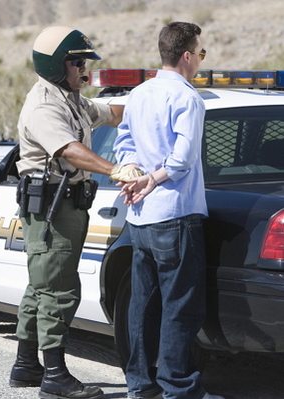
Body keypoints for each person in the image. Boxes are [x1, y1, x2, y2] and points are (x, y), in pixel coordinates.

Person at [10, 26, 137, 399]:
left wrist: (154, 104)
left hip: (63, 204)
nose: (85, 70)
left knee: (40, 286)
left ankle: (26, 365)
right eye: (78, 62)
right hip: (53, 207)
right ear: (56, 66)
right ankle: (55, 376)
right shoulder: (45, 106)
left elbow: (112, 112)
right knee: (58, 290)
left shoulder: (72, 99)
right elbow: (68, 149)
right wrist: (115, 168)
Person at [113, 22, 223, 399]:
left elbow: (124, 141)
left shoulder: (139, 94)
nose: (200, 61)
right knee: (181, 307)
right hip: (174, 214)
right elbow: (184, 158)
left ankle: (140, 386)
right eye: (201, 54)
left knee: (142, 306)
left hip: (139, 216)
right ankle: (178, 388)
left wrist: (133, 175)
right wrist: (152, 179)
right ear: (188, 55)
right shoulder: (188, 98)